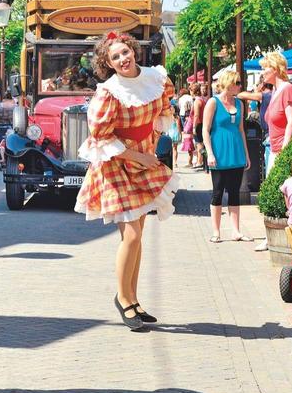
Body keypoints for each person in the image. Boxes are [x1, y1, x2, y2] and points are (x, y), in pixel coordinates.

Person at [75, 31, 178, 332]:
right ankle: (123, 298)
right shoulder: (108, 92)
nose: (123, 59)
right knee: (131, 234)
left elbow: (164, 111)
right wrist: (139, 156)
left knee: (137, 235)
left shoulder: (155, 78)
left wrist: (154, 144)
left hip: (143, 157)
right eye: (115, 57)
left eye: (125, 52)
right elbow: (102, 137)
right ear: (108, 63)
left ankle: (133, 298)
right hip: (117, 163)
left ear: (133, 51)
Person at [202, 70, 252, 243]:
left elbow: (241, 130)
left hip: (236, 152)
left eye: (239, 83)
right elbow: (205, 129)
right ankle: (216, 232)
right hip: (219, 153)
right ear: (228, 83)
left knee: (234, 193)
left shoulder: (239, 104)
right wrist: (209, 153)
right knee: (217, 192)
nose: (240, 86)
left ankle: (236, 231)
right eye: (237, 83)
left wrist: (246, 154)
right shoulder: (213, 102)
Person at [257, 52, 292, 251]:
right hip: (272, 147)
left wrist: (285, 150)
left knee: (282, 190)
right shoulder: (275, 91)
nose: (262, 72)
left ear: (275, 69)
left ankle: (287, 235)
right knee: (276, 190)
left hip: (283, 150)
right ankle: (273, 236)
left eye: (265, 68)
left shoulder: (288, 89)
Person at [192, 84, 209, 171]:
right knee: (201, 143)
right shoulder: (202, 100)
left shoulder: (197, 101)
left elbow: (196, 115)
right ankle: (202, 162)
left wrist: (194, 127)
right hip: (202, 123)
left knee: (199, 144)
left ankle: (200, 161)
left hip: (198, 124)